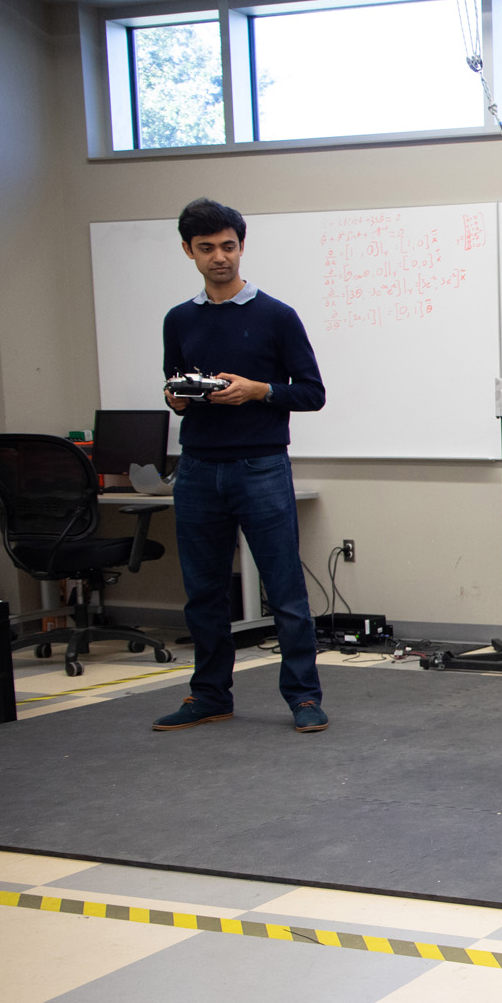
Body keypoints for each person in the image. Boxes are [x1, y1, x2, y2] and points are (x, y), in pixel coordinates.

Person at [151, 198, 329, 734]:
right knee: (204, 592)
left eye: (228, 246)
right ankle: (209, 695)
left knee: (285, 589)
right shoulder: (179, 319)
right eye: (206, 248)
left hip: (261, 466)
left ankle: (303, 697)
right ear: (189, 252)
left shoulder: (277, 316)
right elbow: (173, 384)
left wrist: (258, 391)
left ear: (241, 246)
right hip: (198, 469)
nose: (219, 257)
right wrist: (178, 398)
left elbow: (312, 393)